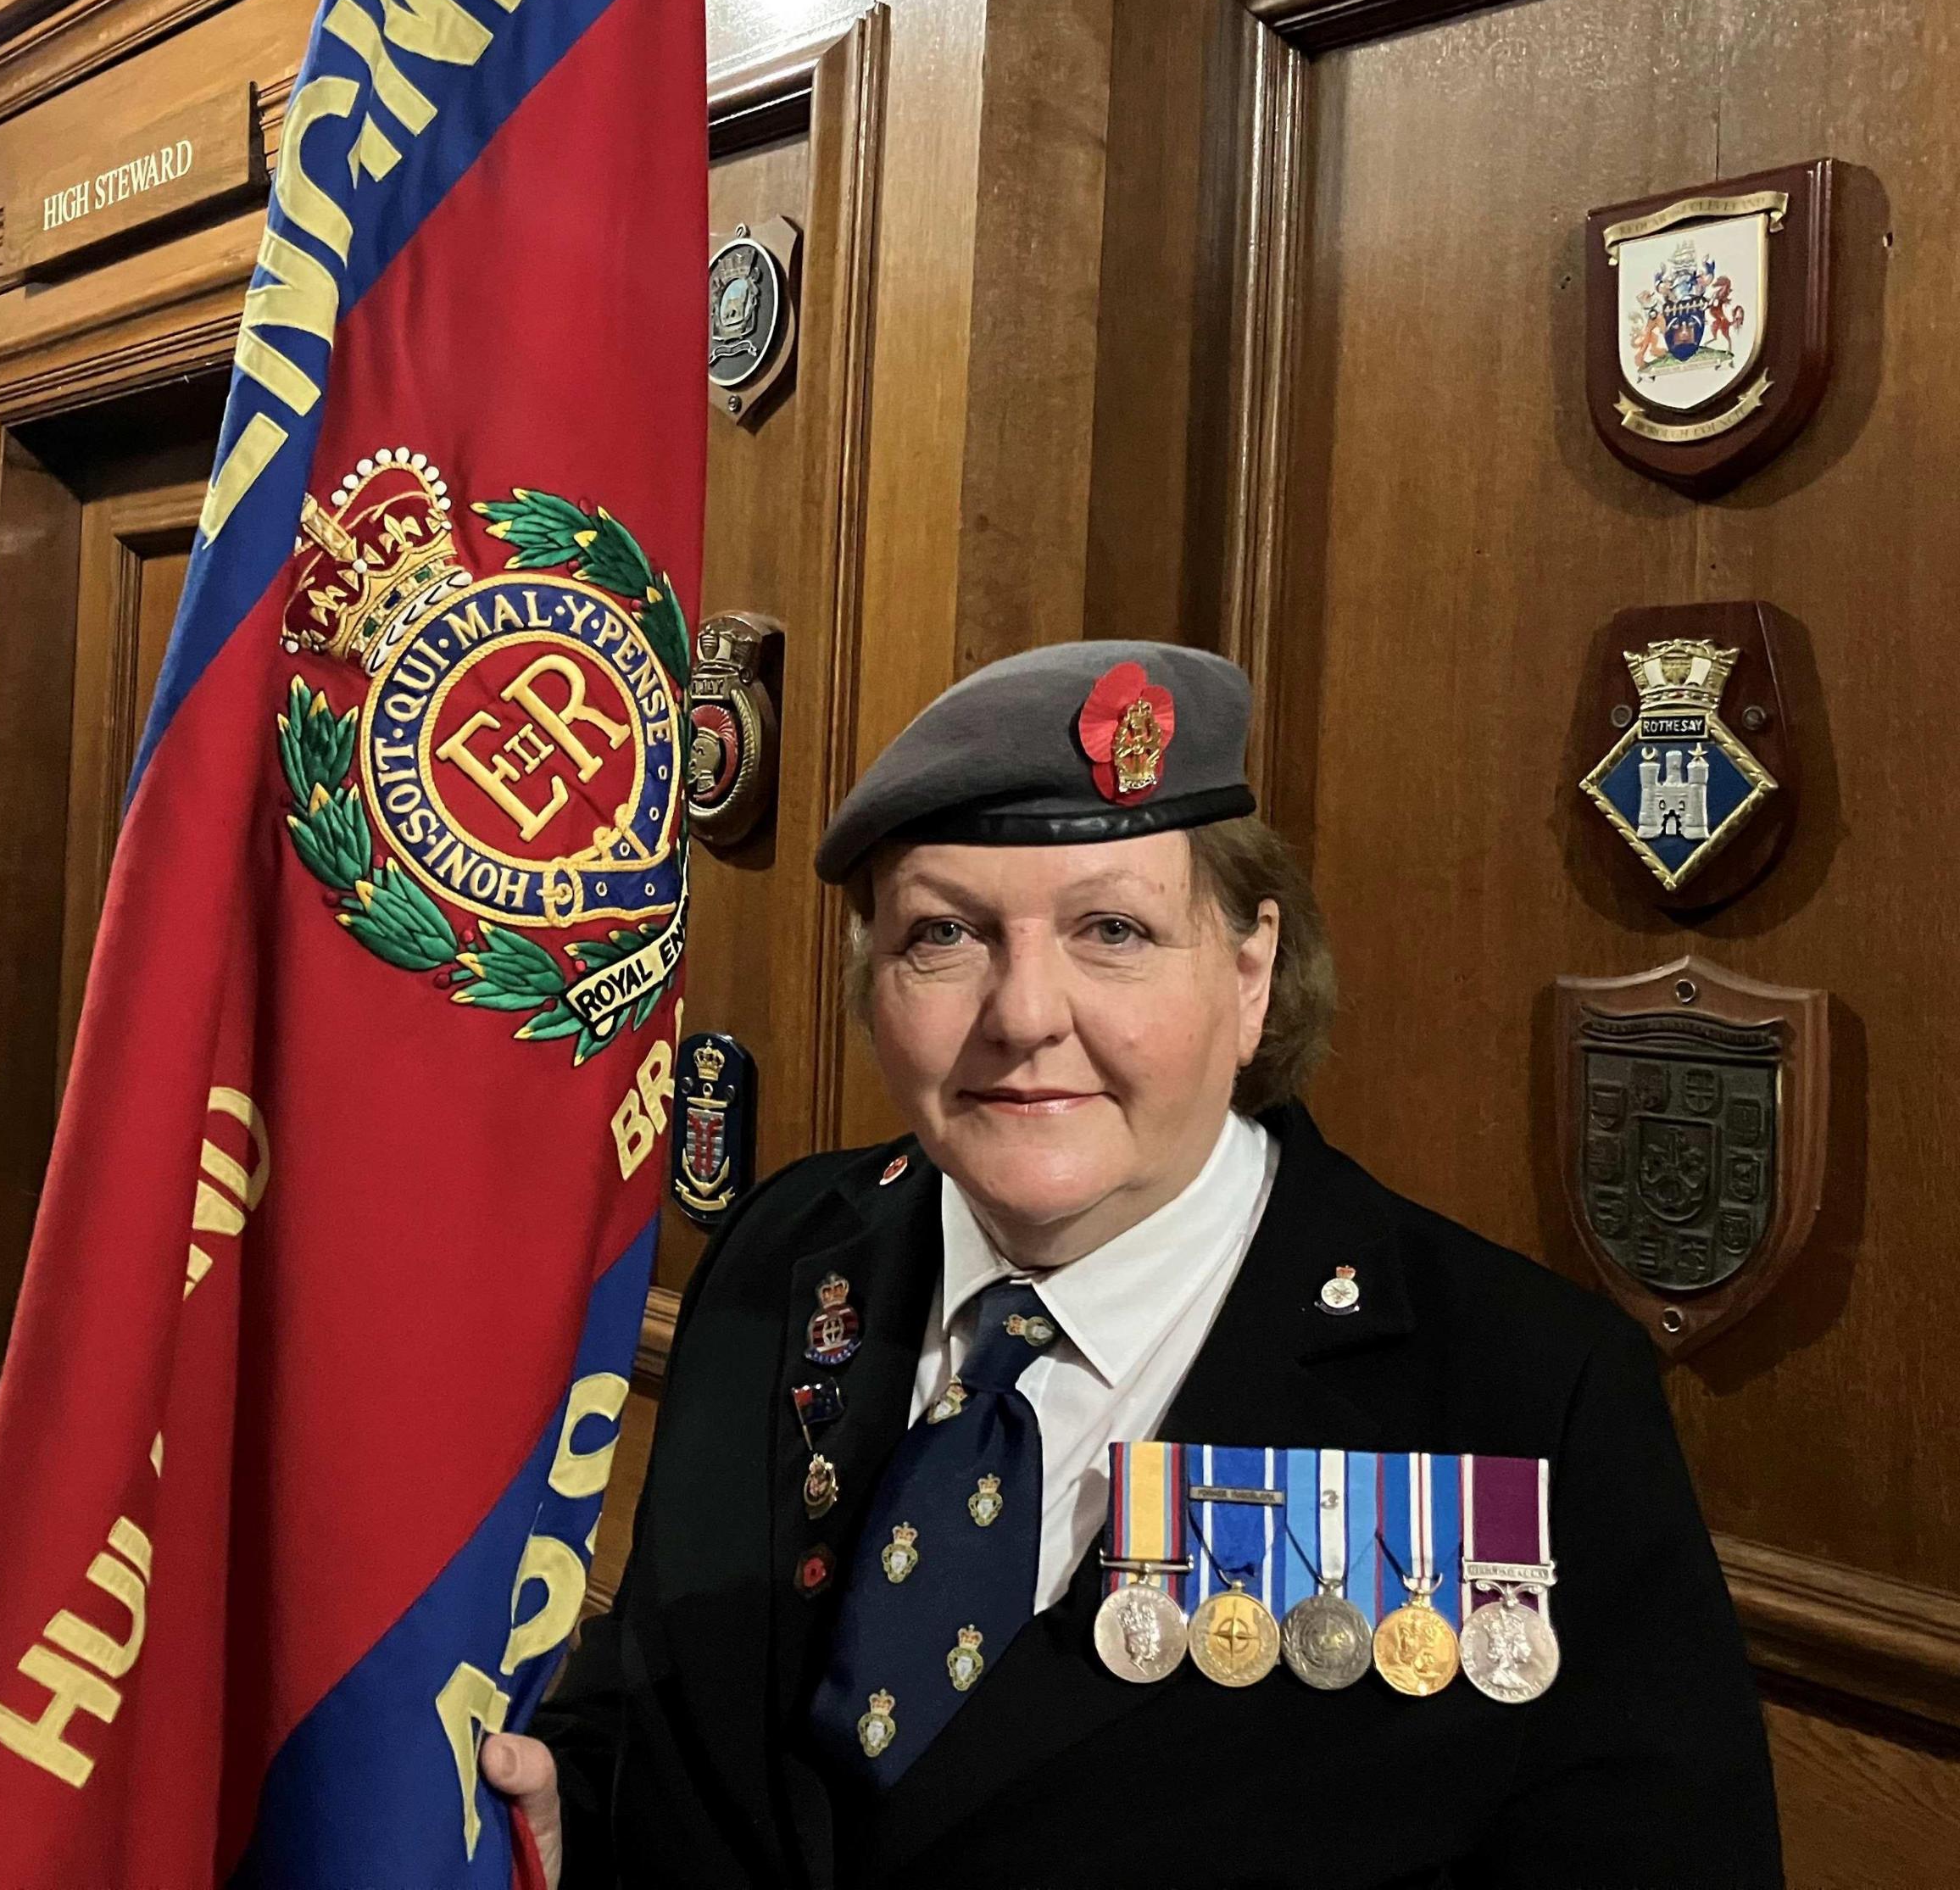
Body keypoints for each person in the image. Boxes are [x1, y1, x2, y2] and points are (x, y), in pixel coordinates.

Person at [483, 641, 1782, 1888]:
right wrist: (571, 1810)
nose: (1026, 1015)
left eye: (1114, 931)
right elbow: (666, 1715)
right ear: (875, 977)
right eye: (946, 934)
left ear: (1251, 970)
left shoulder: (1519, 1393)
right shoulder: (779, 1252)